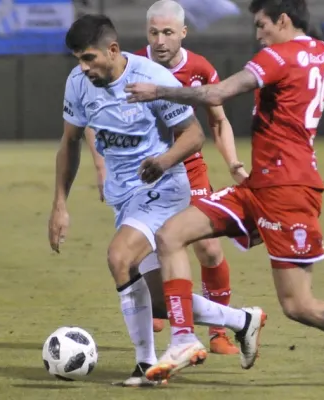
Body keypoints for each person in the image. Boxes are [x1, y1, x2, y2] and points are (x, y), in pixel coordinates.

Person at [125, 0, 324, 388]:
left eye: (261, 25)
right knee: (171, 234)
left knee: (298, 305)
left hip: (288, 192)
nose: (258, 35)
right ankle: (183, 339)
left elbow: (217, 94)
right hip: (259, 185)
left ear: (283, 20)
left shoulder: (276, 57)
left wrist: (157, 90)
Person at [48, 14, 264, 387]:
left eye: (88, 58)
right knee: (161, 300)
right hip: (125, 198)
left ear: (112, 50)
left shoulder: (152, 79)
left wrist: (164, 160)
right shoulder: (77, 84)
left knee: (119, 257)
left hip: (163, 188)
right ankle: (242, 320)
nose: (82, 68)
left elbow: (194, 135)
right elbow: (70, 142)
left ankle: (145, 366)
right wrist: (59, 205)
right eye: (77, 60)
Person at [137, 0, 247, 354]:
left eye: (168, 32)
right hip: (145, 170)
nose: (160, 40)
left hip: (189, 167)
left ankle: (219, 331)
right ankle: (158, 308)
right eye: (154, 32)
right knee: (144, 244)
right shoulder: (132, 66)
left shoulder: (199, 68)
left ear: (183, 32)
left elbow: (218, 121)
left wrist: (233, 164)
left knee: (210, 249)